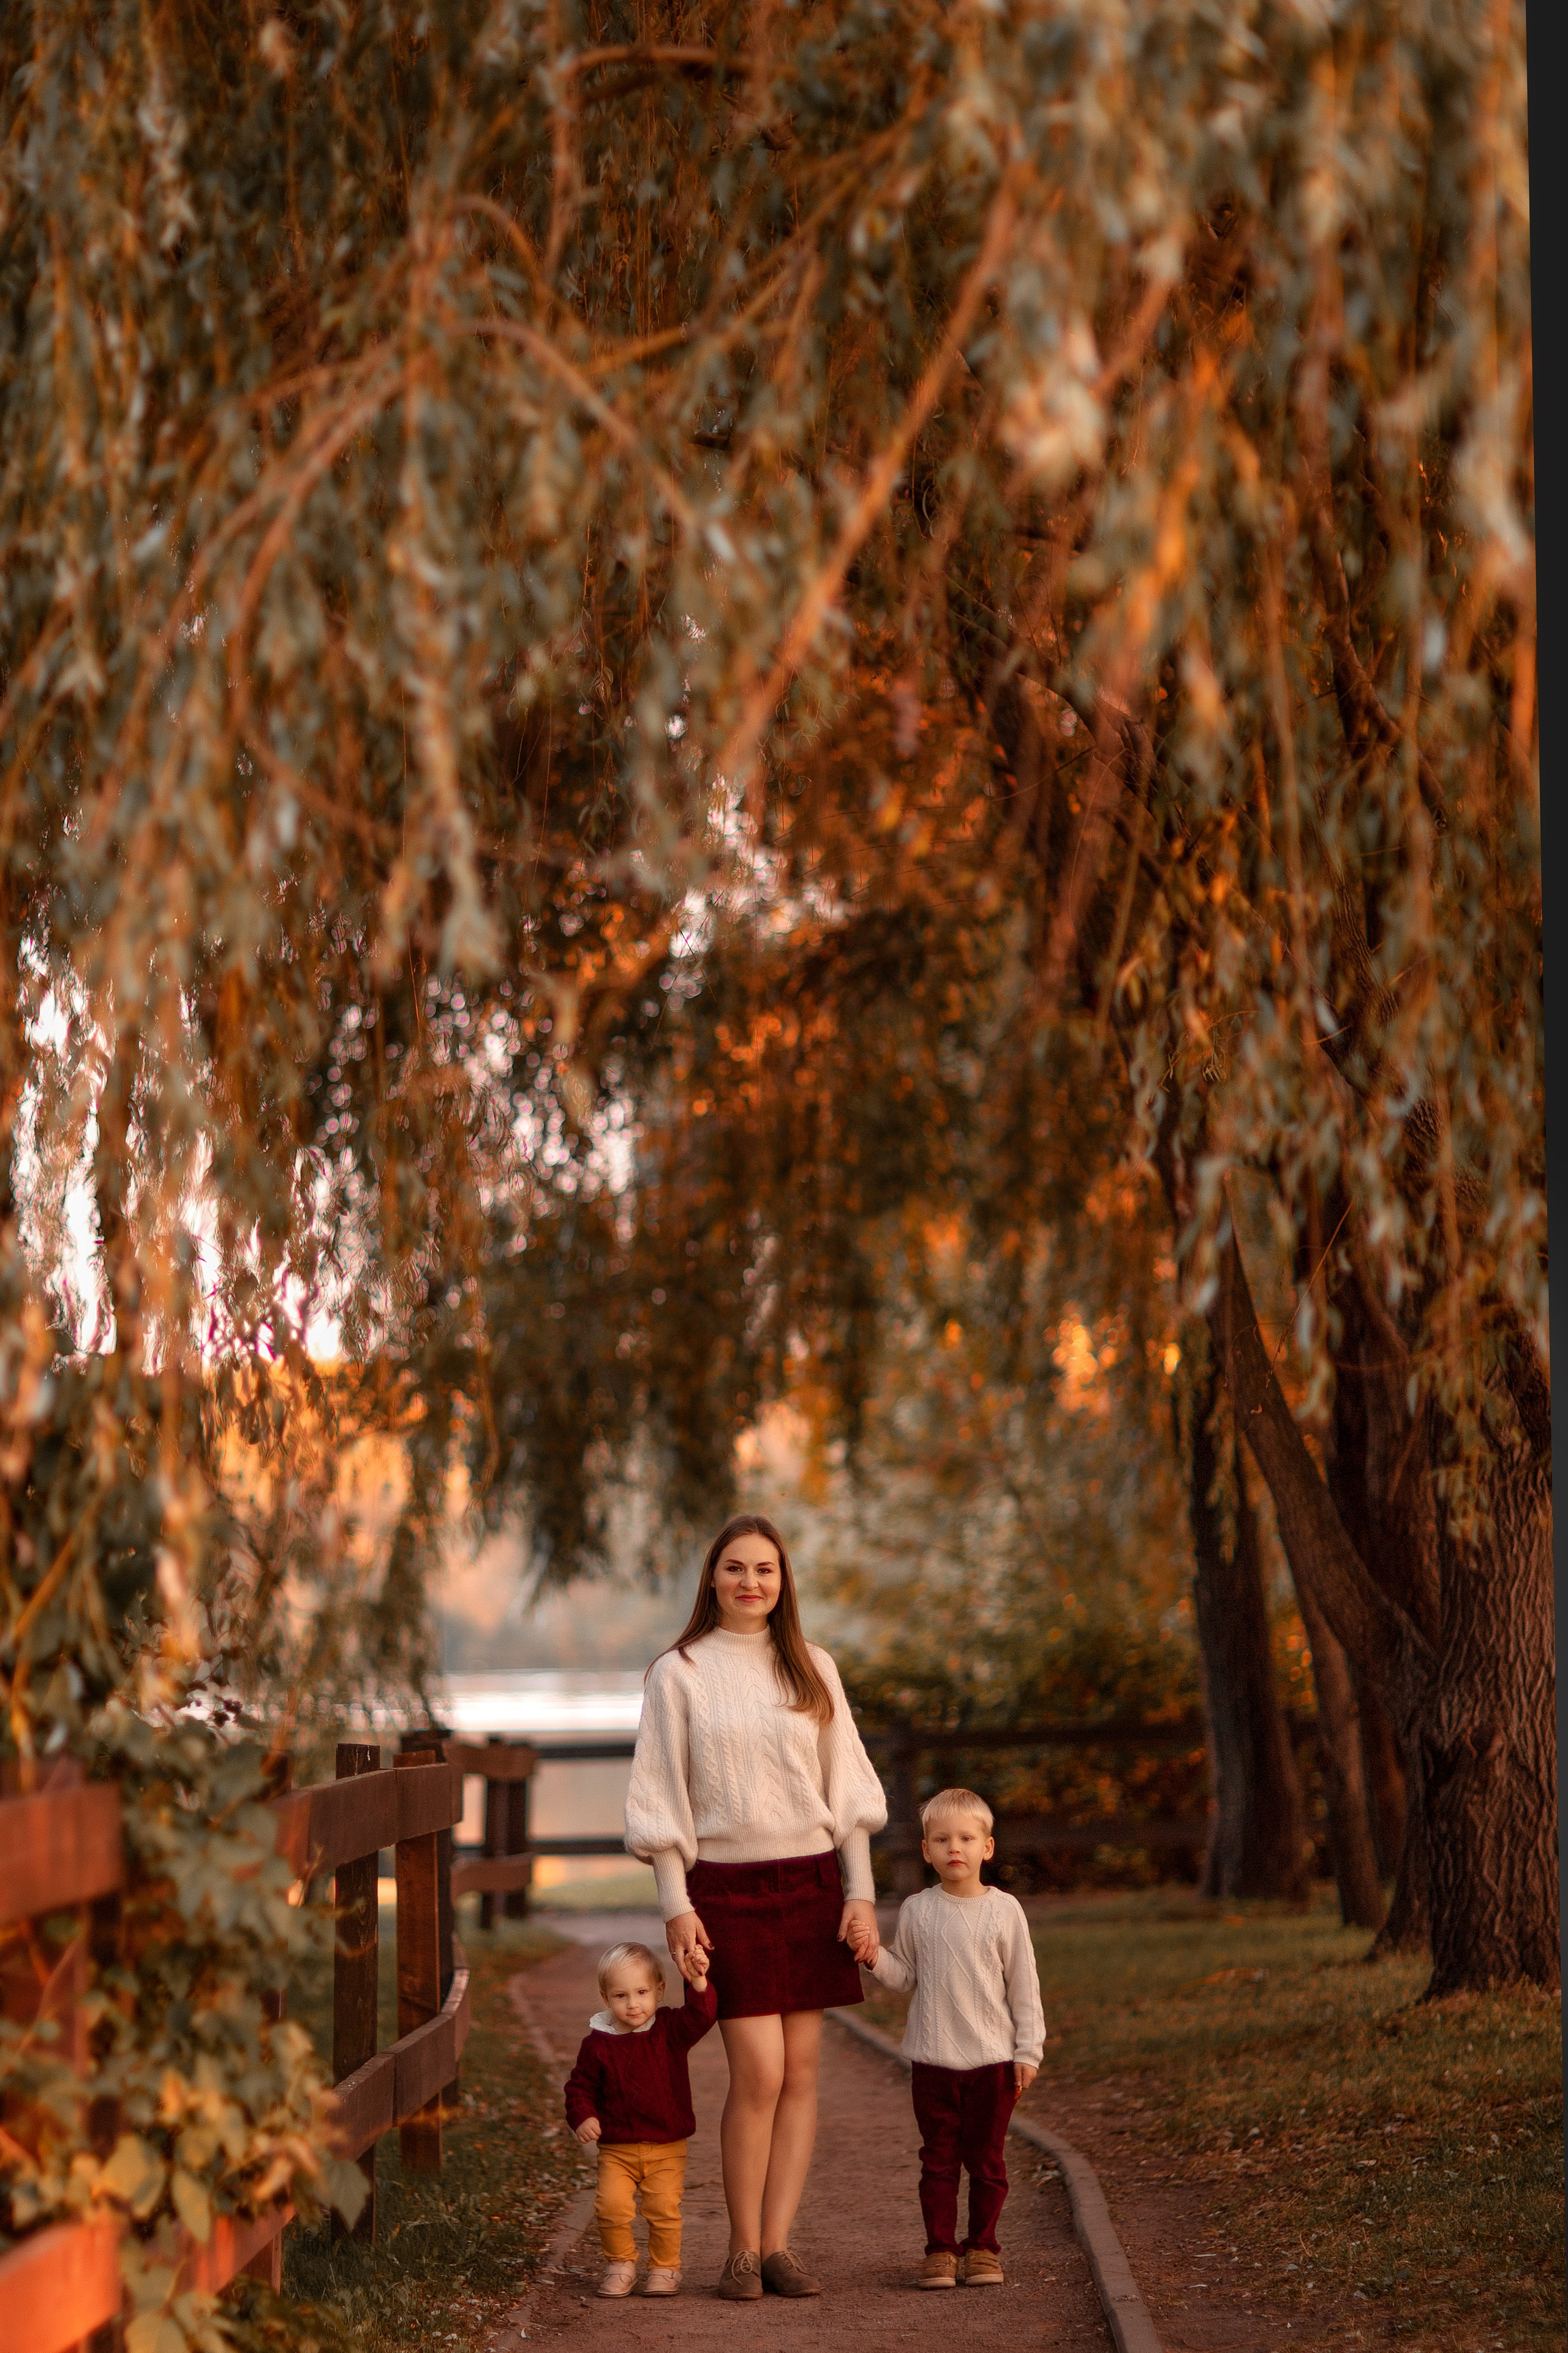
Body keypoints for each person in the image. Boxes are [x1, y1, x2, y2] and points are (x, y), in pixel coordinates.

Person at [624, 1511, 888, 2300]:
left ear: (783, 1582)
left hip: (810, 1885)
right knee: (760, 2071)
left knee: (802, 2071)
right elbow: (660, 1796)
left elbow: (846, 1788)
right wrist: (676, 1904)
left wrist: (861, 1895)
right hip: (725, 1894)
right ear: (713, 1577)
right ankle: (738, 2250)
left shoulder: (813, 1667)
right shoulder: (679, 1672)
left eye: (765, 1570)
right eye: (735, 1568)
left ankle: (779, 2247)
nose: (750, 1582)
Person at [867, 1786, 1045, 2289]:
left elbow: (1024, 1985)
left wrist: (1028, 2052)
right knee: (938, 2161)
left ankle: (984, 2247)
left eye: (967, 1837)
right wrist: (872, 1954)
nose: (954, 1848)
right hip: (933, 2062)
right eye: (941, 1839)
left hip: (993, 2062)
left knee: (987, 2161)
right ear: (925, 1849)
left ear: (987, 1847)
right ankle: (941, 2250)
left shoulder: (1005, 1910)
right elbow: (903, 1976)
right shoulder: (918, 1911)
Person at [564, 1939, 718, 2298]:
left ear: (659, 1991)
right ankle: (621, 2264)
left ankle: (665, 2269)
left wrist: (698, 1982)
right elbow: (579, 2087)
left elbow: (702, 2017)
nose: (633, 2004)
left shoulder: (669, 2030)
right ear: (605, 1998)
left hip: (666, 2145)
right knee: (611, 2206)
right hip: (617, 2148)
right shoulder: (598, 2043)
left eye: (641, 1992)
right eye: (620, 1996)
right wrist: (583, 2115)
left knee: (663, 2209)